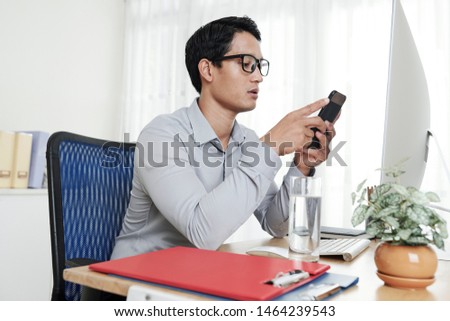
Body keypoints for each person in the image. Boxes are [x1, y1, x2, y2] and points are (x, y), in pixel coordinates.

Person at [110, 16, 336, 260]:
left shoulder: (246, 142)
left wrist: (301, 166)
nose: (258, 76)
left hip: (198, 274)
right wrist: (269, 147)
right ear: (208, 69)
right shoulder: (161, 135)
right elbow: (202, 232)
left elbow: (275, 225)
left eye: (260, 66)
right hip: (135, 281)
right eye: (247, 64)